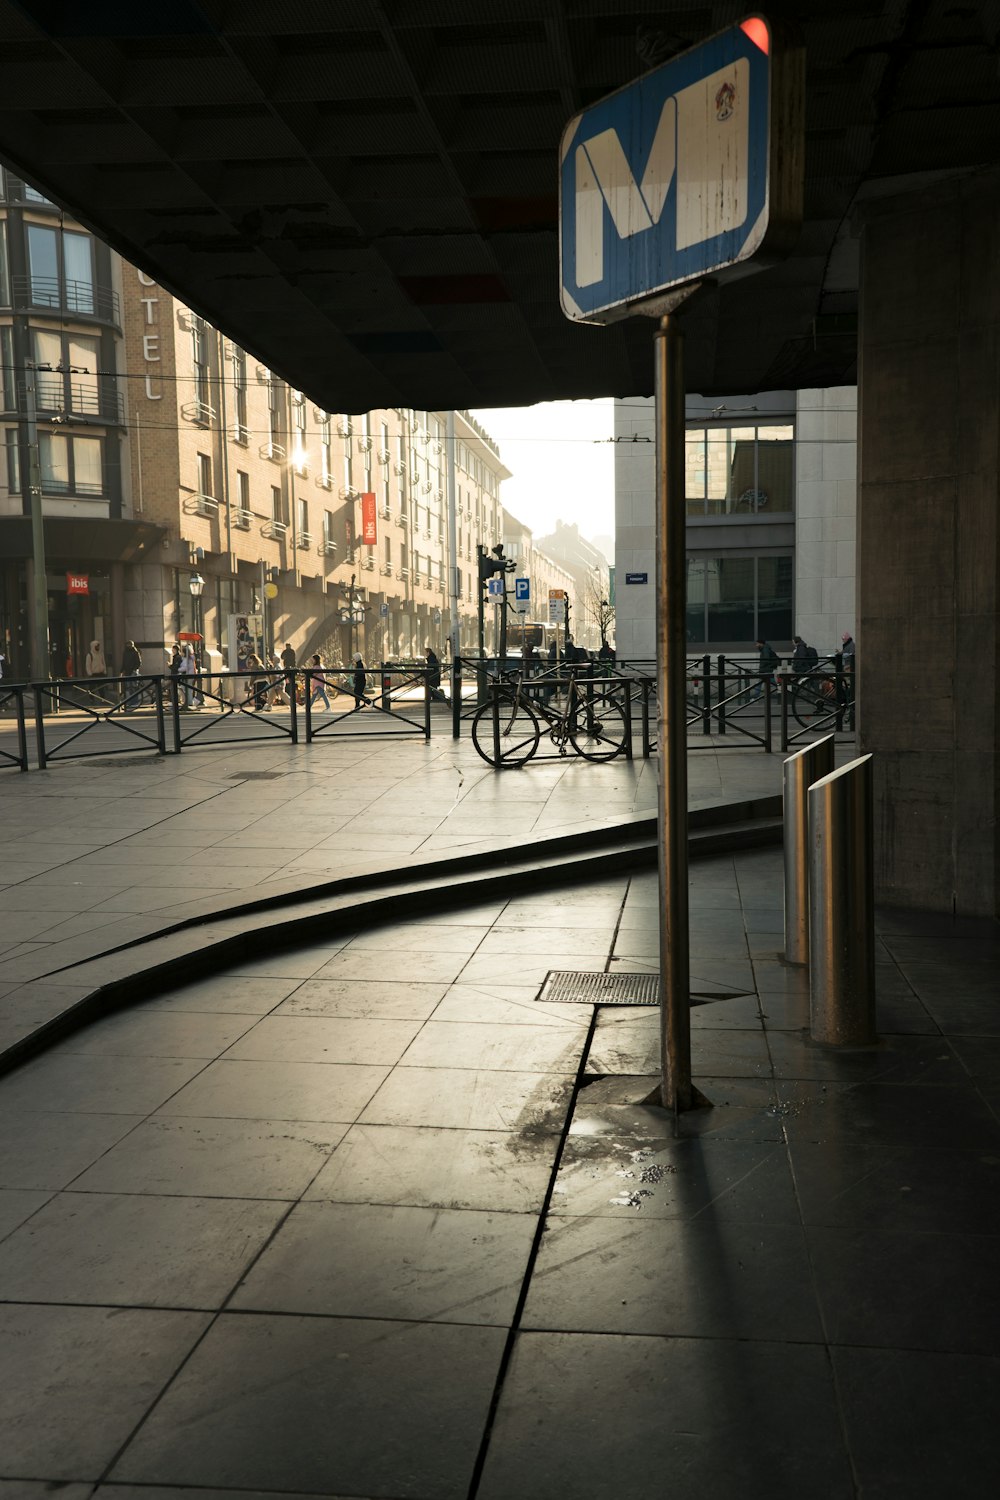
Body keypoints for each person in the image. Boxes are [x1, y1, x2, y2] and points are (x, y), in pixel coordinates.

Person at [120, 640, 141, 711]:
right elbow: (123, 662)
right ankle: (130, 701)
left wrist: (135, 669)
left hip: (133, 672)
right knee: (128, 687)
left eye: (130, 645)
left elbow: (139, 662)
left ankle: (135, 701)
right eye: (128, 645)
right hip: (127, 672)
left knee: (134, 687)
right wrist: (121, 670)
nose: (129, 646)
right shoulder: (125, 653)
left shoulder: (135, 652)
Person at [280, 641, 296, 705]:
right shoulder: (285, 651)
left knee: (290, 682)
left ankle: (290, 696)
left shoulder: (292, 651)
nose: (288, 647)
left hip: (290, 667)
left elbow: (294, 659)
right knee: (288, 682)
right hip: (287, 667)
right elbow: (282, 657)